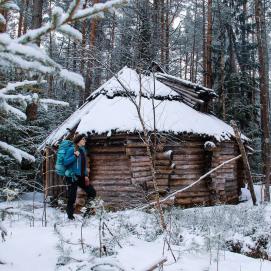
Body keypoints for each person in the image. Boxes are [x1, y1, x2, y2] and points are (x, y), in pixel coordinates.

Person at [63, 133, 96, 220]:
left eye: (85, 139)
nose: (85, 141)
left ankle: (87, 212)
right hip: (72, 176)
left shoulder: (83, 150)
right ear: (78, 140)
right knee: (72, 196)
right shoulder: (71, 149)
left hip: (81, 177)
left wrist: (85, 175)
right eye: (83, 139)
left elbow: (83, 165)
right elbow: (65, 162)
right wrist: (74, 156)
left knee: (92, 192)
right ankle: (70, 216)